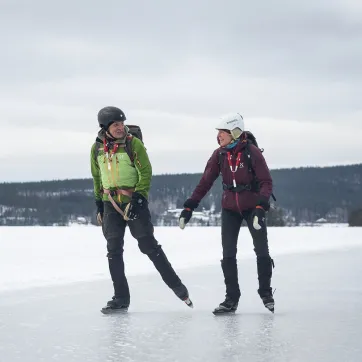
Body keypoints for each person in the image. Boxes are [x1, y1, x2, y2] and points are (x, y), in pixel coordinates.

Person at [91, 106, 192, 313]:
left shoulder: (132, 144)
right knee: (113, 251)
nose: (121, 128)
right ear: (105, 127)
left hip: (133, 201)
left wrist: (139, 198)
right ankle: (120, 299)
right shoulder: (97, 148)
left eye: (122, 123)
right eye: (116, 125)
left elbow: (145, 172)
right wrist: (99, 204)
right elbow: (97, 177)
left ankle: (179, 289)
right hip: (110, 203)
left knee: (148, 246)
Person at [179, 113, 275, 314]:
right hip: (230, 209)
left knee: (262, 251)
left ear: (235, 132)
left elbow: (266, 182)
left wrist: (260, 206)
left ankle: (266, 293)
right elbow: (205, 182)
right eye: (218, 133)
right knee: (228, 254)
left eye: (223, 132)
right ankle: (231, 299)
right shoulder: (219, 155)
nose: (219, 136)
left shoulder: (252, 152)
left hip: (252, 209)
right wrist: (190, 206)